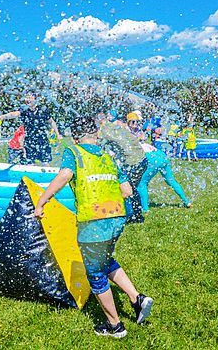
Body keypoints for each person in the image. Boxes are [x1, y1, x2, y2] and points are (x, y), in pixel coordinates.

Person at [33, 116, 153, 338]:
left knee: (96, 273)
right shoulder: (108, 157)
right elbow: (127, 191)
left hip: (93, 223)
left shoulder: (75, 152)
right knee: (105, 261)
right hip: (117, 219)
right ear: (96, 134)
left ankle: (115, 326)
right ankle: (137, 299)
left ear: (76, 137)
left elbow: (64, 176)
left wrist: (42, 201)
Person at [0, 91, 60, 166]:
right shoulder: (24, 110)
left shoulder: (42, 110)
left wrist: (58, 134)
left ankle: (50, 177)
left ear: (35, 99)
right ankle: (30, 177)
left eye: (29, 97)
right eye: (26, 98)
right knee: (30, 163)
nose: (27, 99)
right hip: (29, 140)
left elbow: (52, 122)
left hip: (42, 140)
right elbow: (14, 114)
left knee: (45, 162)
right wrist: (1, 117)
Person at [138, 143, 191, 211]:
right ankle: (187, 201)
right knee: (171, 180)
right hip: (161, 155)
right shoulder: (137, 143)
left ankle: (145, 209)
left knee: (142, 183)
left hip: (152, 158)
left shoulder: (128, 147)